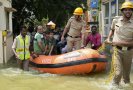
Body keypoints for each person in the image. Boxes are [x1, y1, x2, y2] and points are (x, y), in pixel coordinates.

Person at [104, 2, 133, 88]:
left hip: (128, 52)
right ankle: (114, 87)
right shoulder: (116, 20)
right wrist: (109, 38)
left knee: (126, 78)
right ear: (122, 11)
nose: (128, 11)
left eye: (130, 10)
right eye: (126, 10)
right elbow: (112, 30)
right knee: (117, 73)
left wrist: (118, 42)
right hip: (116, 50)